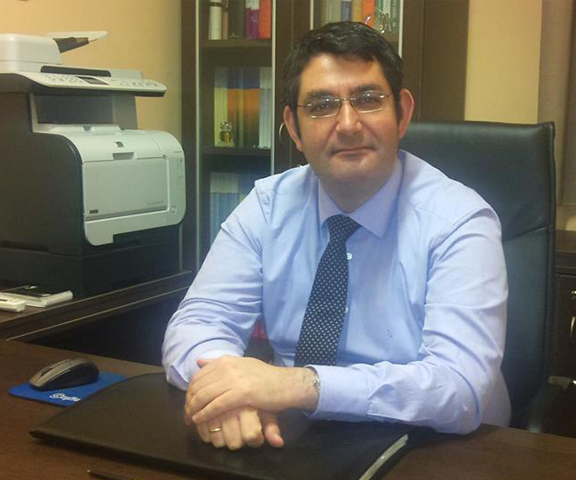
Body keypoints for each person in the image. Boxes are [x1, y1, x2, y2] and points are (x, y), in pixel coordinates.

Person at [162, 21, 510, 451]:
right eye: (322, 105)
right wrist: (227, 390)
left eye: (368, 99)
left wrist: (299, 385)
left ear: (402, 113)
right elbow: (196, 323)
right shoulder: (267, 206)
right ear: (293, 127)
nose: (348, 124)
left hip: (435, 447)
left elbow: (459, 388)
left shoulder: (459, 220)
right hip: (293, 440)